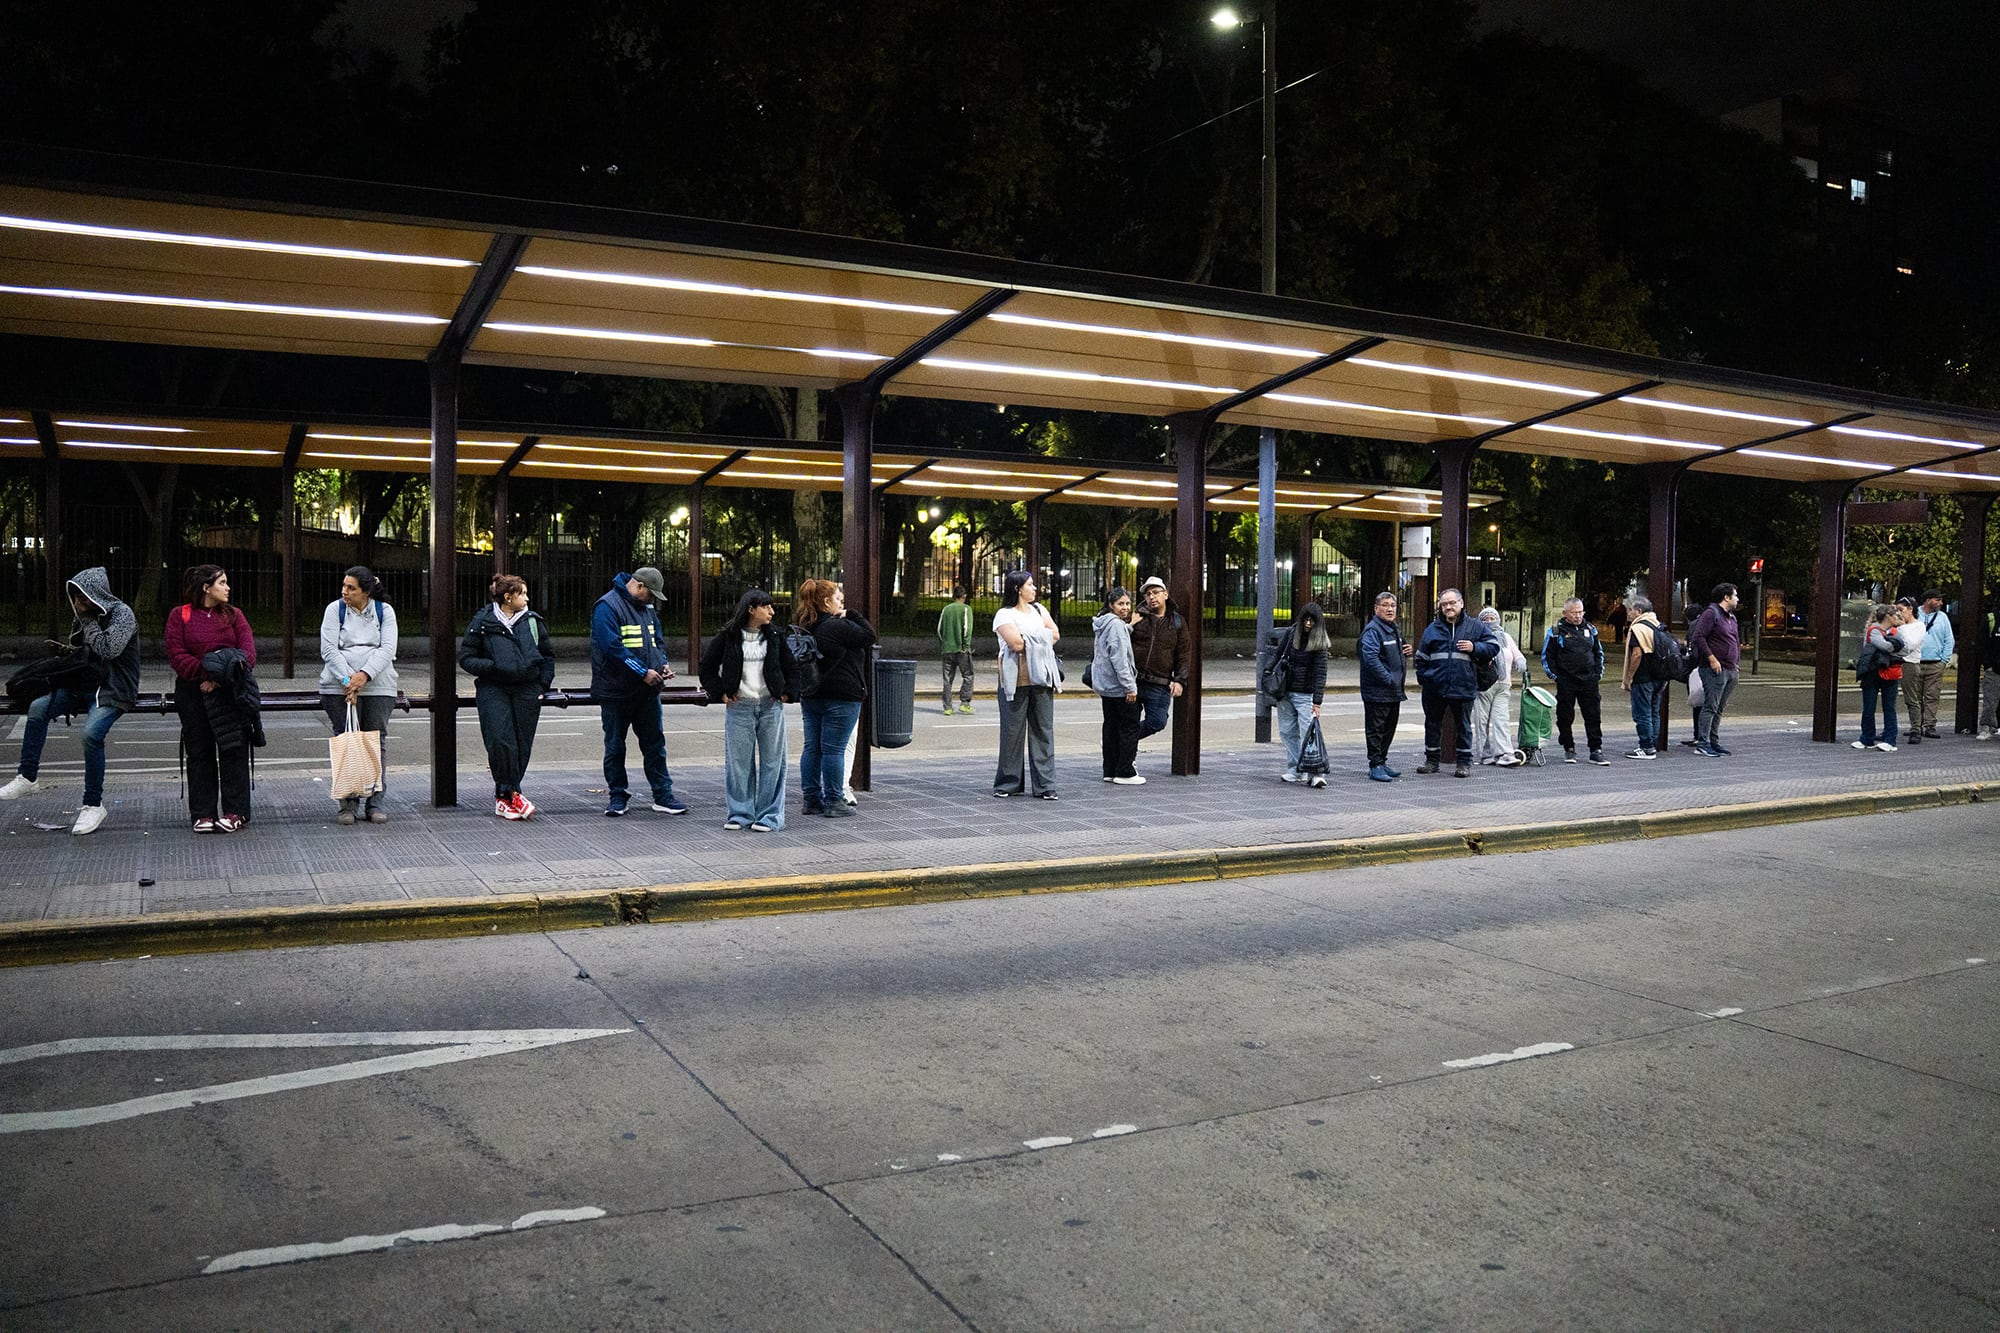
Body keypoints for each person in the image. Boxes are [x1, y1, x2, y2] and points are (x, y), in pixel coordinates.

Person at [0, 566, 140, 834]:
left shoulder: (122, 614)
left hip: (114, 686)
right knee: (38, 707)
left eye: (82, 596)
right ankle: (27, 776)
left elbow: (108, 649)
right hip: (85, 682)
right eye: (74, 596)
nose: (77, 603)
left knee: (91, 734)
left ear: (95, 594)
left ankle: (93, 804)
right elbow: (83, 650)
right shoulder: (83, 616)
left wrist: (88, 621)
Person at [164, 563, 256, 833]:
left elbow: (247, 654)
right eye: (222, 583)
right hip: (193, 693)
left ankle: (235, 811)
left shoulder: (234, 616)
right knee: (199, 752)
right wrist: (206, 672)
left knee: (233, 750)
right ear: (206, 587)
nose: (227, 588)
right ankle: (203, 812)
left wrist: (218, 678)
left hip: (229, 692)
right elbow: (177, 655)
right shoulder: (179, 615)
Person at [700, 589, 799, 831]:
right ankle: (740, 814)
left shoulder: (775, 635)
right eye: (767, 607)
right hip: (740, 707)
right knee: (738, 763)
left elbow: (793, 668)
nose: (772, 612)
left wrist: (787, 693)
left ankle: (769, 817)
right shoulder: (729, 636)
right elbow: (707, 667)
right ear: (751, 609)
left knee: (773, 763)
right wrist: (720, 691)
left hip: (770, 706)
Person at [590, 567, 685, 817]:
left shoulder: (647, 608)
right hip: (616, 691)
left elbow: (657, 641)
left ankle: (663, 794)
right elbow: (612, 648)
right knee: (615, 746)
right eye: (650, 594)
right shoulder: (606, 607)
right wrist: (643, 672)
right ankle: (617, 796)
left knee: (655, 745)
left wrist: (661, 664)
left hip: (647, 690)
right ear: (639, 586)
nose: (652, 600)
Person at [460, 573, 556, 820]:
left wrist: (542, 684)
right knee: (501, 741)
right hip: (494, 688)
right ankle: (512, 793)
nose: (526, 597)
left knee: (522, 744)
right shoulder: (483, 621)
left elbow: (547, 655)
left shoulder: (532, 621)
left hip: (527, 689)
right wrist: (492, 667)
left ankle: (506, 798)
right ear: (508, 597)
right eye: (522, 593)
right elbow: (466, 658)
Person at [319, 566, 400, 825]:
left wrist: (363, 676)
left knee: (375, 742)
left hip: (378, 686)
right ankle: (348, 804)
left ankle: (374, 802)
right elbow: (329, 649)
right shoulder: (335, 610)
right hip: (339, 687)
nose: (344, 591)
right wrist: (347, 681)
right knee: (347, 742)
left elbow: (387, 648)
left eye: (351, 587)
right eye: (343, 586)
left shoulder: (384, 611)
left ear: (366, 591)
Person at [793, 578, 875, 818]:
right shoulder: (837, 626)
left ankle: (811, 799)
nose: (842, 603)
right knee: (834, 750)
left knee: (812, 748)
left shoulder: (804, 624)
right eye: (839, 599)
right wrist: (852, 614)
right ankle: (833, 801)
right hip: (842, 696)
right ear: (827, 601)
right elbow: (869, 636)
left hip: (812, 693)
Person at [992, 568, 1061, 799]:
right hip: (1015, 680)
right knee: (1012, 732)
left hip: (1041, 677)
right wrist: (1041, 637)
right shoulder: (1004, 614)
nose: (1034, 588)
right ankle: (1008, 783)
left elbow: (1056, 634)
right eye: (1030, 585)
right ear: (1017, 589)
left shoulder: (1039, 609)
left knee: (1043, 731)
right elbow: (1015, 644)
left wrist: (1030, 636)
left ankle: (1045, 785)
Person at [1415, 587, 1497, 779]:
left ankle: (1464, 763)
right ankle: (1431, 761)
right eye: (1444, 604)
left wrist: (1475, 647)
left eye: (1452, 603)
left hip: (1463, 685)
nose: (1448, 607)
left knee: (1463, 726)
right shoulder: (1432, 628)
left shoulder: (1475, 626)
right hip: (1435, 688)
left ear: (1461, 603)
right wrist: (1425, 679)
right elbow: (1421, 657)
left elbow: (1493, 646)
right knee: (1432, 724)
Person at [1268, 601, 1332, 787]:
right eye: (1306, 619)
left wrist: (1317, 702)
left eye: (1312, 620)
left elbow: (1321, 673)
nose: (1308, 624)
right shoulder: (1291, 633)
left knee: (1308, 733)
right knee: (1287, 731)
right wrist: (1267, 671)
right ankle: (1296, 769)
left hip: (1305, 694)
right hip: (1285, 690)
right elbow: (1278, 654)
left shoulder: (1319, 642)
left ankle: (1315, 772)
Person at [1541, 596, 1609, 766]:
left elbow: (1598, 653)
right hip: (1566, 681)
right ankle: (1569, 747)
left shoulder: (1591, 629)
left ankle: (1596, 750)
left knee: (1593, 715)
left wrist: (1597, 673)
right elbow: (1547, 657)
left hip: (1589, 681)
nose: (1578, 616)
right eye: (1574, 612)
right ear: (1565, 613)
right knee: (1565, 716)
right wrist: (1556, 677)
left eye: (1581, 612)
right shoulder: (1556, 632)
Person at [1129, 575, 1191, 745]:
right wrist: (1130, 625)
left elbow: (1184, 653)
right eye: (1148, 594)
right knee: (1128, 722)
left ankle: (1122, 740)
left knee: (1157, 722)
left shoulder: (1177, 621)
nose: (1152, 597)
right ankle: (1126, 762)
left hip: (1159, 683)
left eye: (1156, 592)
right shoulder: (1137, 618)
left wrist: (1180, 680)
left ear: (1166, 594)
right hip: (1133, 681)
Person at [1357, 590, 1412, 783]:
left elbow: (1392, 652)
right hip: (1378, 690)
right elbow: (1370, 658)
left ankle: (1382, 761)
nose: (1390, 609)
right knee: (1376, 729)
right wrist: (1388, 678)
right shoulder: (1373, 630)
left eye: (1393, 606)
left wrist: (1406, 649)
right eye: (1385, 605)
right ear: (1376, 608)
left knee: (1389, 728)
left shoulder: (1393, 628)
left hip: (1393, 691)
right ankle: (1375, 765)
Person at [1091, 586, 1143, 785]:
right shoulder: (1116, 626)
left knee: (1111, 728)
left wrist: (1130, 625)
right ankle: (1125, 771)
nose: (1125, 608)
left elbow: (1113, 643)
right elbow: (1119, 658)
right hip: (1119, 687)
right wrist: (1130, 686)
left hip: (1106, 687)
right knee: (1129, 727)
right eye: (1120, 604)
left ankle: (1110, 769)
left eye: (1128, 603)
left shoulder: (1104, 623)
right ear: (1111, 605)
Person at [1688, 583, 1742, 758]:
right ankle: (1703, 743)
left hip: (1730, 668)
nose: (1737, 598)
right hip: (1714, 669)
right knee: (1711, 705)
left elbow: (1735, 640)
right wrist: (1712, 659)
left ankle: (1713, 741)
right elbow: (1699, 637)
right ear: (1726, 597)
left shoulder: (1731, 617)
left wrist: (1736, 662)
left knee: (1719, 707)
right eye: (1735, 595)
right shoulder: (1711, 613)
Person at [1474, 606, 1528, 766]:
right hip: (1484, 686)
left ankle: (1505, 753)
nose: (1490, 621)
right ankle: (1485, 754)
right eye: (1485, 619)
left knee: (1501, 719)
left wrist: (1520, 660)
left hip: (1503, 685)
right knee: (1481, 721)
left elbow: (1516, 653)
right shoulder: (1478, 637)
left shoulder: (1506, 637)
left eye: (1493, 618)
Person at [1851, 606, 1904, 753]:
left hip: (1889, 672)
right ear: (1888, 616)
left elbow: (1906, 647)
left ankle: (1889, 740)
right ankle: (1867, 737)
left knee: (1889, 708)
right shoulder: (1873, 630)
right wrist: (1895, 644)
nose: (1898, 618)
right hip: (1872, 673)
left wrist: (1893, 643)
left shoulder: (1894, 631)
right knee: (1869, 707)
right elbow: (1886, 646)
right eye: (1896, 615)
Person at [1619, 595, 1666, 759]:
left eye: (1630, 610)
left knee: (1642, 713)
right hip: (1660, 676)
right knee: (1654, 711)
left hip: (1643, 677)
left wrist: (1630, 677)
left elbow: (1637, 654)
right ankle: (1652, 744)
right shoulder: (1658, 625)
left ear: (1639, 611)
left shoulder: (1638, 628)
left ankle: (1646, 747)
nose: (1629, 613)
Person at [1908, 588, 1954, 742]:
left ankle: (1929, 726)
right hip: (1916, 661)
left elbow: (1949, 639)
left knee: (1932, 696)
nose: (1940, 603)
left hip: (1935, 663)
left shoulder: (1942, 618)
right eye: (1938, 600)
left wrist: (1944, 660)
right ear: (1929, 601)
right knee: (1915, 696)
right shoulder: (1914, 614)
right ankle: (1916, 725)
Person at [937, 585, 975, 715]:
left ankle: (947, 707)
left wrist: (944, 644)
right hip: (961, 649)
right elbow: (967, 630)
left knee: (947, 679)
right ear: (964, 597)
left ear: (954, 596)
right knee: (968, 675)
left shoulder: (946, 609)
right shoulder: (966, 609)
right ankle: (964, 703)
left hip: (947, 649)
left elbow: (939, 630)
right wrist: (965, 646)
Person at [1979, 601, 2000, 742]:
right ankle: (1987, 727)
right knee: (1990, 700)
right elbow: (1981, 644)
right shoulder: (1991, 619)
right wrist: (1987, 665)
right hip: (1994, 668)